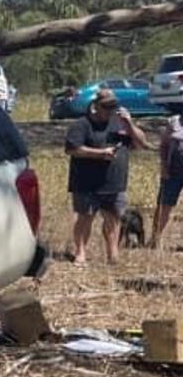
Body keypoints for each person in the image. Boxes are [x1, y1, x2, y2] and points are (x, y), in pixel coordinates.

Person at [65, 88, 148, 265]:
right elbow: (72, 148)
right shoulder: (81, 124)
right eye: (106, 107)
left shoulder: (121, 124)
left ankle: (112, 254)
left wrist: (130, 124)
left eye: (113, 106)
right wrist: (100, 153)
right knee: (85, 218)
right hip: (86, 182)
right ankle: (80, 253)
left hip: (114, 182)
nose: (110, 110)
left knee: (114, 217)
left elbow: (142, 143)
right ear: (96, 106)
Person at [149, 104, 183, 249]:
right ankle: (155, 240)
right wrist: (163, 166)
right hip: (173, 171)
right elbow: (163, 146)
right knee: (164, 205)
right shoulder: (173, 122)